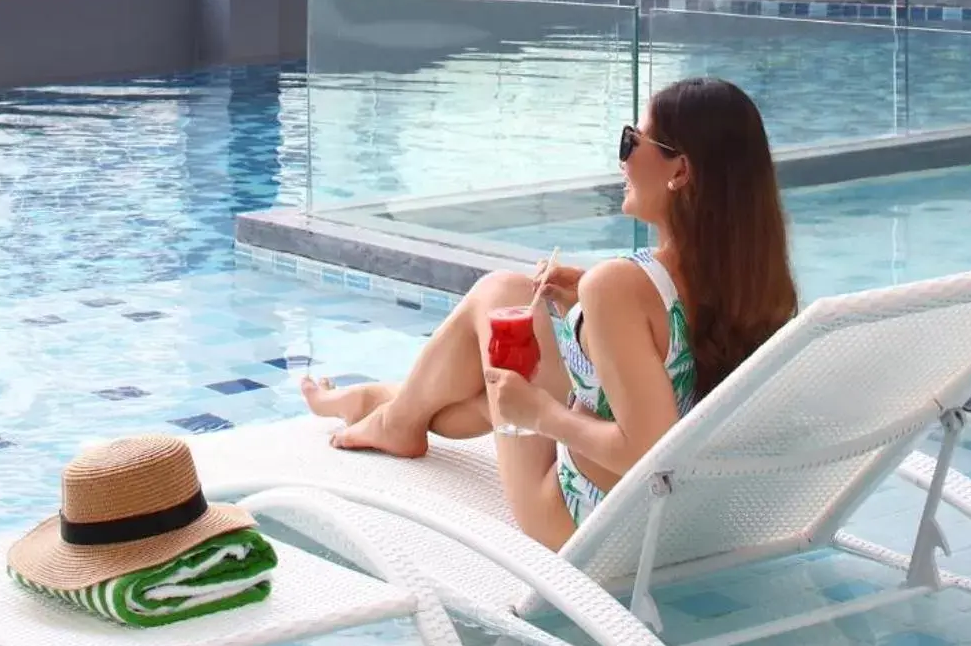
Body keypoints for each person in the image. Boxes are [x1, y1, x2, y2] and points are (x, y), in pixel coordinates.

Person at [301, 77, 798, 549]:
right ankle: (388, 406)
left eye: (632, 142)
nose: (622, 160)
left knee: (501, 293)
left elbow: (647, 452)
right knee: (509, 324)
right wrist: (587, 297)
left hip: (579, 518)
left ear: (680, 171)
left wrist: (540, 415)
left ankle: (394, 419)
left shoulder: (621, 284)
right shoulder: (758, 283)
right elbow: (679, 358)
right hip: (692, 523)